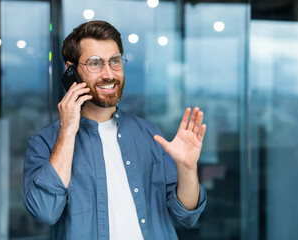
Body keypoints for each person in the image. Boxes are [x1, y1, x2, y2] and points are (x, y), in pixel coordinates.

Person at [23, 20, 207, 240]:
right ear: (71, 71)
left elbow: (186, 216)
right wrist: (68, 132)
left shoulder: (150, 134)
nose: (108, 74)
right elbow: (44, 212)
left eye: (115, 61)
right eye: (94, 63)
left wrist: (187, 169)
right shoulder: (44, 142)